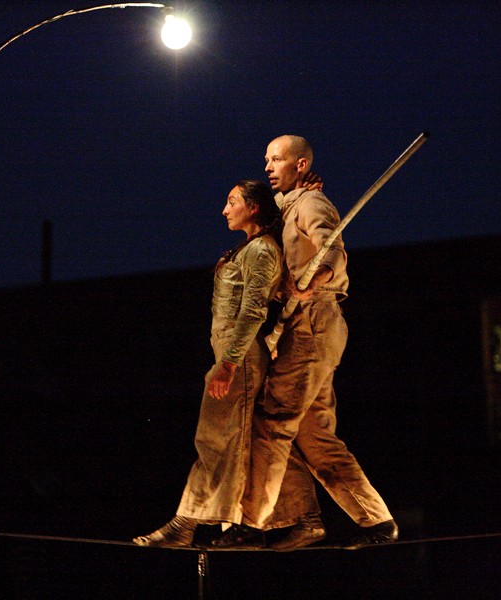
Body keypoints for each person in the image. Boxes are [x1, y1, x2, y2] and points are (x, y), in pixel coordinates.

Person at [211, 135, 399, 550]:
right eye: (266, 159)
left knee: (274, 420)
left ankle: (255, 523)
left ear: (299, 164)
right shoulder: (290, 203)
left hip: (315, 320)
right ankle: (377, 522)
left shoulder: (312, 204)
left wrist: (312, 280)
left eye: (277, 159)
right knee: (314, 436)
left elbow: (333, 251)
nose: (268, 165)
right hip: (307, 328)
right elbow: (267, 210)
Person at [133, 180, 320, 548]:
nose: (224, 209)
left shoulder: (262, 251)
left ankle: (185, 523)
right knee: (258, 440)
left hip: (241, 358)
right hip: (235, 355)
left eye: (232, 201)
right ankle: (305, 516)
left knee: (214, 437)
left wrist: (229, 364)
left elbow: (252, 311)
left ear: (252, 208)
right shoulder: (251, 248)